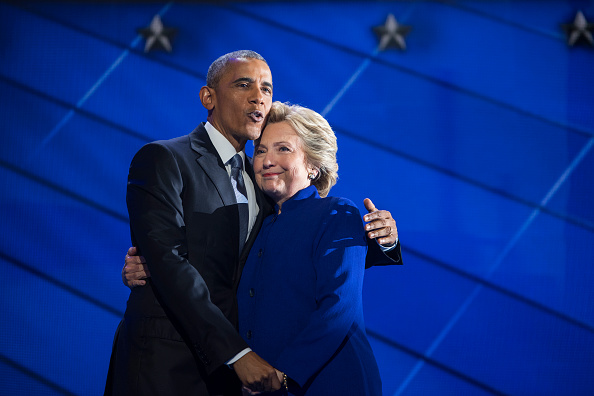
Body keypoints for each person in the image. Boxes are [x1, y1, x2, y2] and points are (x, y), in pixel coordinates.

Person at [106, 50, 401, 396]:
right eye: (243, 84)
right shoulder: (166, 159)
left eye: (266, 88)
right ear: (208, 97)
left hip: (275, 378)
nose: (258, 96)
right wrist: (148, 266)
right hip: (175, 365)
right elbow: (170, 257)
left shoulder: (292, 195)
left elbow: (329, 274)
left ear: (312, 165)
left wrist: (385, 240)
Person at [236, 101, 382, 395]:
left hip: (334, 382)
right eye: (261, 150)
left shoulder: (338, 213)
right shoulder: (257, 223)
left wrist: (285, 372)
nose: (266, 160)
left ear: (313, 166)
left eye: (283, 149)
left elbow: (339, 306)